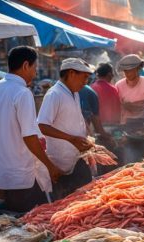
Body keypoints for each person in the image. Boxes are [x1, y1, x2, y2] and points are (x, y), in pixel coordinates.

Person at [0, 46, 63, 213]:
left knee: (8, 215)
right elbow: (29, 136)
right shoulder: (22, 92)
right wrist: (50, 165)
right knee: (27, 219)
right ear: (26, 65)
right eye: (34, 68)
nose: (34, 73)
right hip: (18, 170)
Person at [37, 58, 95, 200]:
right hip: (60, 162)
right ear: (71, 73)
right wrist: (71, 139)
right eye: (84, 77)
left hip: (76, 157)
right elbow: (42, 125)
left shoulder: (74, 93)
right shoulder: (54, 94)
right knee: (65, 202)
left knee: (84, 199)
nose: (85, 82)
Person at [115, 54, 144, 125]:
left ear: (138, 68)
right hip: (126, 122)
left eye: (130, 71)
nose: (127, 74)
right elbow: (117, 105)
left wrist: (136, 104)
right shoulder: (119, 85)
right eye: (125, 71)